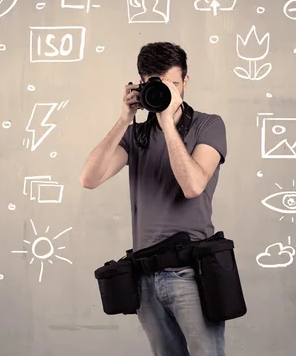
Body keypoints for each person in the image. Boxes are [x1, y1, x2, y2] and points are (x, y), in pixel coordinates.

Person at [79, 42, 227, 356]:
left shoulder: (208, 125)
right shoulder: (136, 136)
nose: (167, 93)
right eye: (157, 86)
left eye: (173, 85)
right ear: (143, 85)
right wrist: (124, 119)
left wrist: (167, 125)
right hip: (145, 276)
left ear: (186, 83)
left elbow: (193, 186)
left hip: (190, 274)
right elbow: (88, 179)